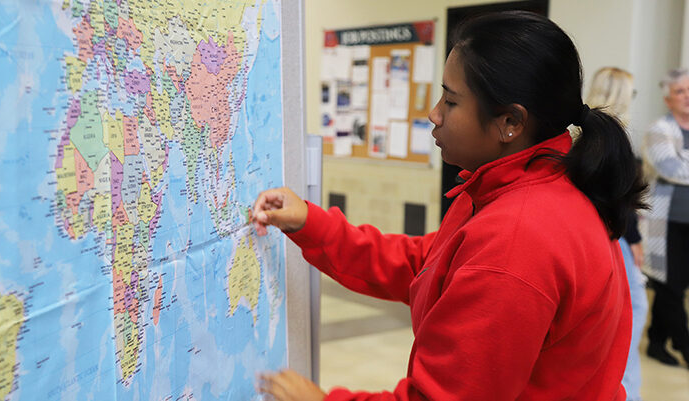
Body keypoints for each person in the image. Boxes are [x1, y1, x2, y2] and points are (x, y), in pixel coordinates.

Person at [255, 11, 648, 401]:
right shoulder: (517, 189)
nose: (434, 114)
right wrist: (310, 224)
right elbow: (428, 265)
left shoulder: (518, 239)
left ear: (510, 121)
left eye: (452, 101)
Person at [586, 67, 648, 400]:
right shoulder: (614, 138)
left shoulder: (581, 135)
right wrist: (635, 240)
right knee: (631, 314)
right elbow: (621, 199)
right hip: (613, 237)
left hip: (595, 234)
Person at [641, 68, 689, 368]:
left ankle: (656, 343)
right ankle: (686, 346)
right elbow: (670, 168)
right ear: (667, 99)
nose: (687, 97)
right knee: (670, 284)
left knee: (677, 283)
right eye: (680, 92)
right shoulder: (659, 129)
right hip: (667, 219)